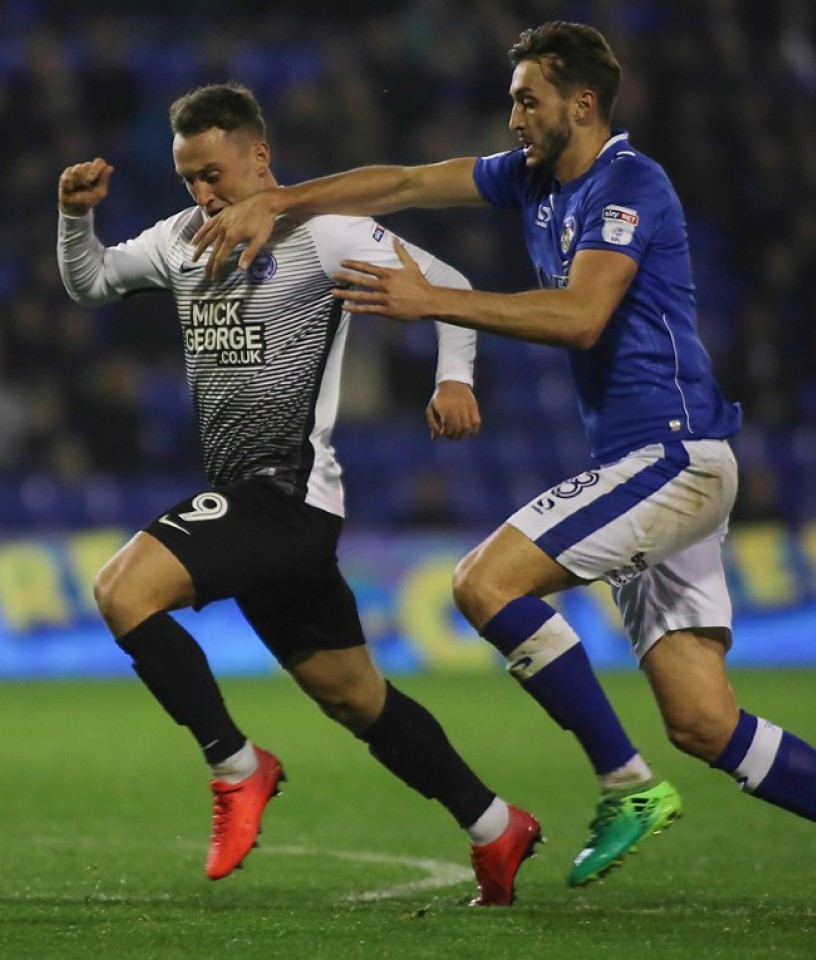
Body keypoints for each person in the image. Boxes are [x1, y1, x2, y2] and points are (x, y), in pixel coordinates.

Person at [191, 21, 816, 888]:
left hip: (672, 457)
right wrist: (282, 200)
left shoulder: (630, 184)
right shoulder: (530, 178)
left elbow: (582, 316)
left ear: (583, 104)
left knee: (484, 582)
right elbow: (405, 183)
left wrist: (436, 301)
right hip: (651, 465)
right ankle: (650, 777)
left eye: (528, 99)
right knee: (705, 723)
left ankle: (627, 784)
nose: (513, 116)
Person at [57, 83, 542, 906]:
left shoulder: (324, 234)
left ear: (260, 158)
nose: (203, 194)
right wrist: (75, 218)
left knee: (121, 590)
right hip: (258, 512)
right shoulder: (180, 240)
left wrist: (454, 378)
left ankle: (236, 768)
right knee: (355, 699)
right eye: (188, 179)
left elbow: (447, 282)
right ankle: (496, 826)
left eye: (214, 174)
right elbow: (93, 280)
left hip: (286, 497)